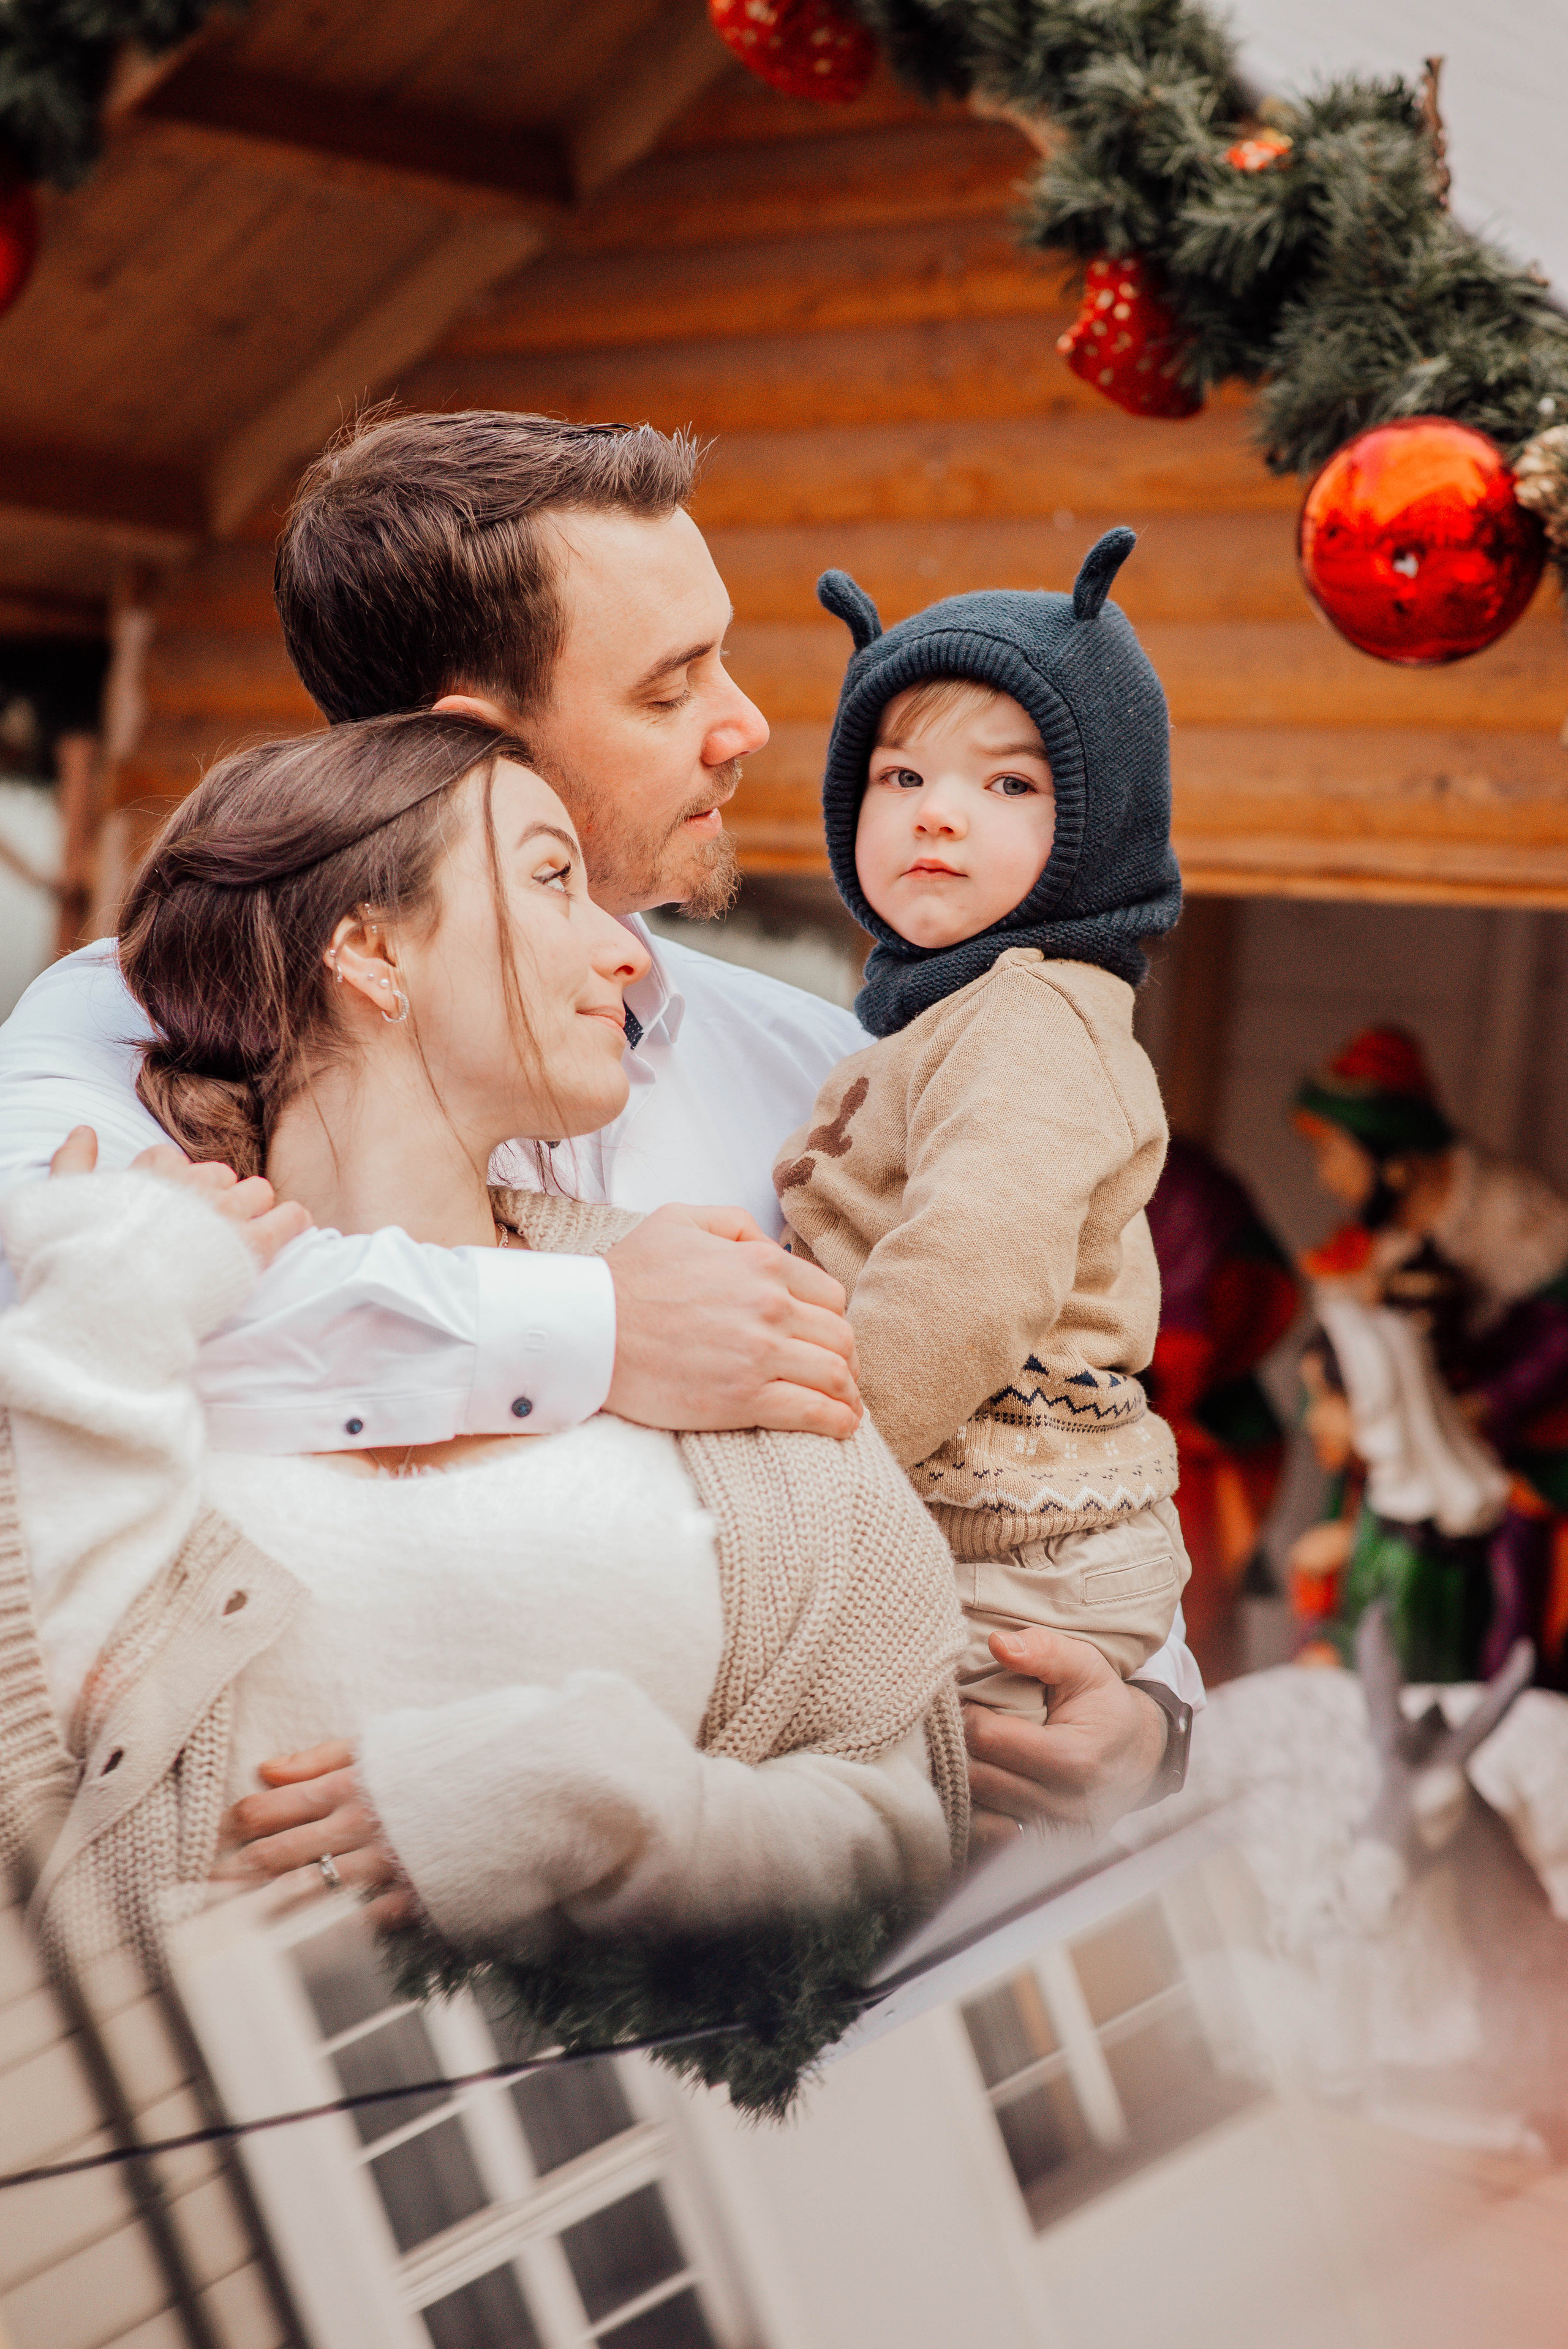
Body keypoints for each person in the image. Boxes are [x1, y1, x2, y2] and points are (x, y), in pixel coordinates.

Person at [0, 409, 1200, 1833]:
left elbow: (1039, 1417)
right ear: (468, 738)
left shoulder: (824, 1067)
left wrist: (1149, 1715)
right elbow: (53, 1327)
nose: (747, 722)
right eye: (670, 683)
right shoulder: (147, 1022)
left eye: (727, 655)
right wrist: (600, 1327)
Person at [0, 714, 970, 2102]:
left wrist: (585, 1789)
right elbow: (48, 1799)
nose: (627, 955)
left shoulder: (726, 1322)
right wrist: (109, 1310)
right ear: (372, 951)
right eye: (552, 879)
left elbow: (912, 1831)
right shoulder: (119, 1319)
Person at [774, 529, 1192, 1730]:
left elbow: (968, 1276)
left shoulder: (1028, 1021)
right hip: (978, 1517)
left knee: (839, 1768)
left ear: (1100, 825)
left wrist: (813, 1467)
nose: (935, 818)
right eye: (900, 778)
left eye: (1007, 784)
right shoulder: (950, 1017)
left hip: (1007, 1539)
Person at [1293, 1024, 1568, 1678]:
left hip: (1510, 1445)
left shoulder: (1513, 1216)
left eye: (1336, 1154)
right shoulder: (1366, 1242)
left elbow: (1554, 1337)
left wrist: (1482, 1404)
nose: (1325, 1177)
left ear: (1392, 1159)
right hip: (1404, 1437)